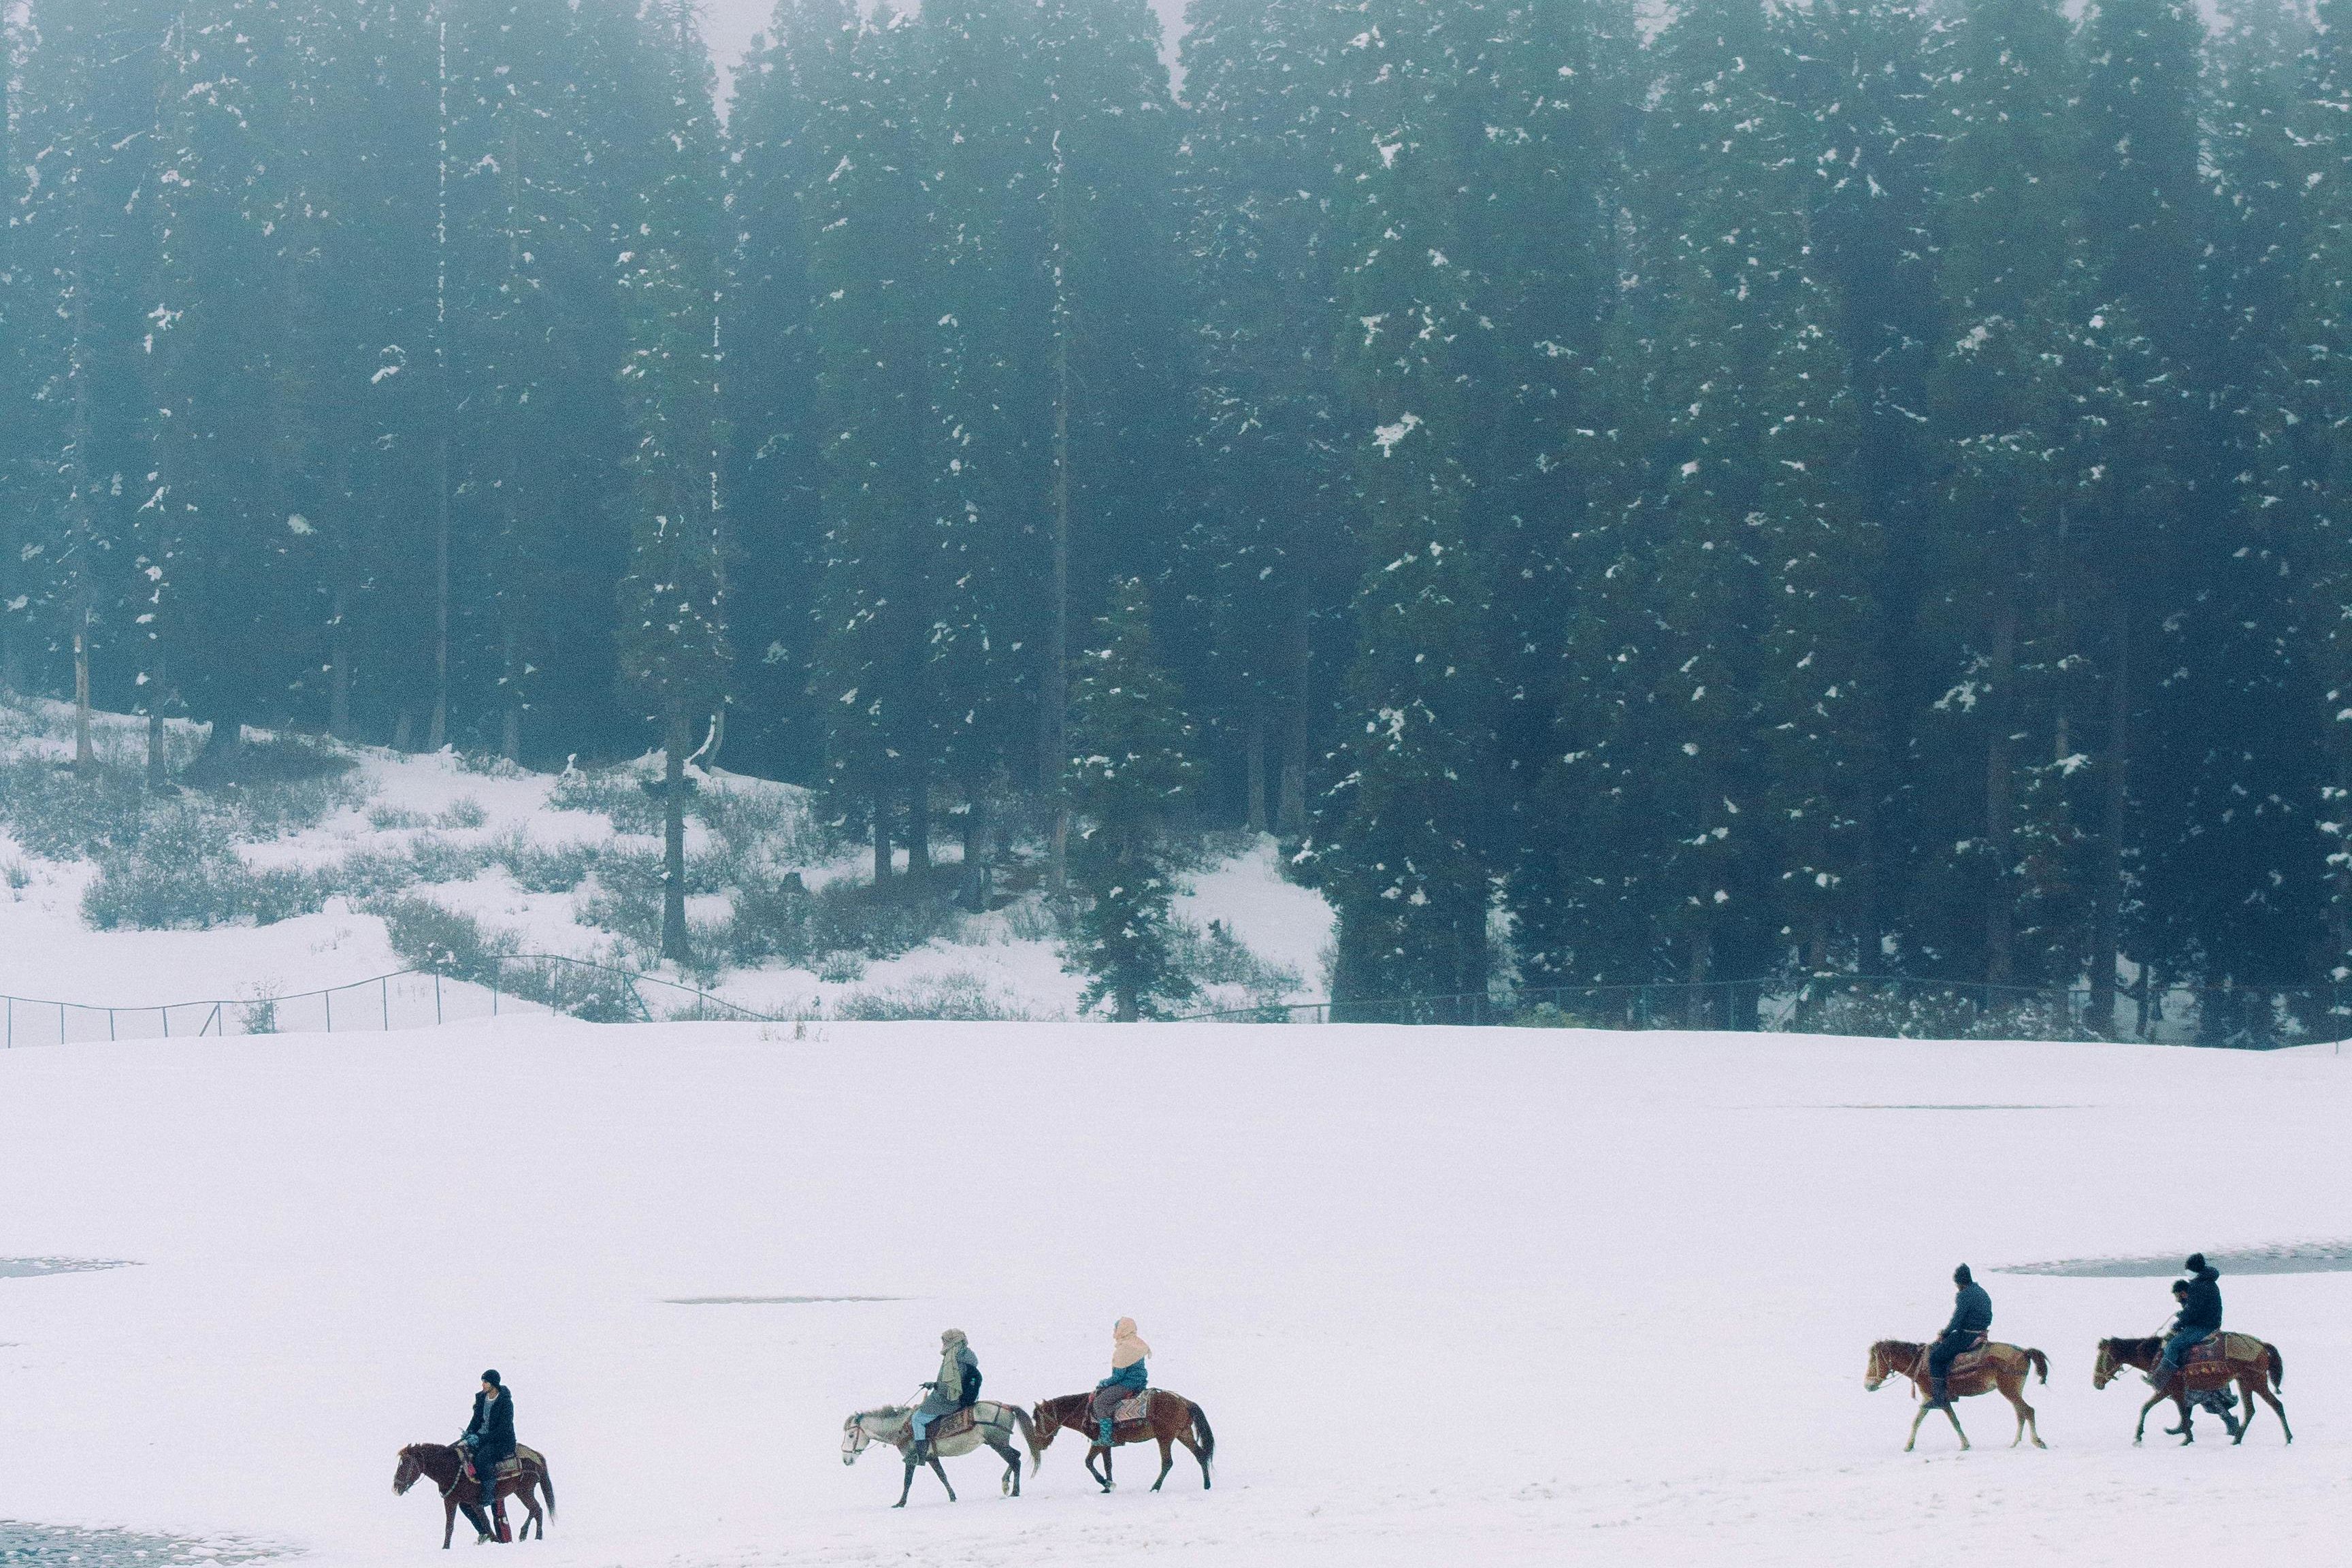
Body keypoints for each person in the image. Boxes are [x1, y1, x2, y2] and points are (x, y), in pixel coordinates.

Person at [458, 1370, 517, 1539]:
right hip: (481, 1438)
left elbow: (503, 1429)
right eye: (482, 1381)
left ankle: (488, 1493)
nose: (482, 1385)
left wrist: (480, 1438)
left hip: (501, 1442)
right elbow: (476, 1420)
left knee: (482, 1458)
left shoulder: (506, 1402)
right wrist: (468, 1433)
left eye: (485, 1382)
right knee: (461, 1453)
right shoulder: (482, 1398)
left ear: (493, 1383)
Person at [2152, 1254, 2223, 1388]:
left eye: (2188, 1269)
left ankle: (2160, 1381)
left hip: (2203, 1326)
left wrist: (2179, 1323)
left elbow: (2194, 1311)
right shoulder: (2207, 1282)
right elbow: (2196, 1308)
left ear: (2194, 1270)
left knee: (2173, 1346)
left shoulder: (2199, 1286)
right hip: (2209, 1322)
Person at [1925, 1265, 1991, 1409]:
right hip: (1981, 1332)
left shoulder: (1964, 1295)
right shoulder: (1982, 1291)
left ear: (1961, 1282)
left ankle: (1939, 1398)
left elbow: (1957, 1319)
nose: (1957, 1287)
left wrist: (1945, 1333)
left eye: (1957, 1284)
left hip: (1968, 1335)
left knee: (1935, 1357)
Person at [909, 1330, 979, 1464]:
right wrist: (934, 1384)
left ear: (952, 1341)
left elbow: (949, 1387)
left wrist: (937, 1388)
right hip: (958, 1397)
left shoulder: (953, 1358)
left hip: (949, 1401)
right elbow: (954, 1382)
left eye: (945, 1341)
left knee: (917, 1418)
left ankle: (920, 1455)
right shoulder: (964, 1355)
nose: (943, 1343)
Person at [1090, 1318, 1151, 1448]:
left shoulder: (1124, 1349)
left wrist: (1104, 1383)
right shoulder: (1137, 1343)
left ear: (1122, 1329)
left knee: (1100, 1402)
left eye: (1116, 1328)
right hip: (1139, 1381)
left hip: (1128, 1383)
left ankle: (1107, 1438)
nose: (1114, 1331)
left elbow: (1118, 1376)